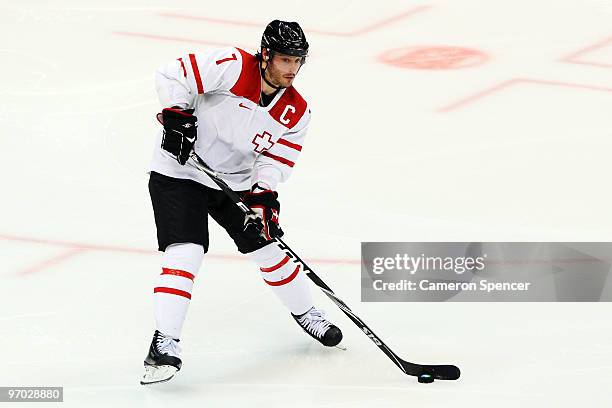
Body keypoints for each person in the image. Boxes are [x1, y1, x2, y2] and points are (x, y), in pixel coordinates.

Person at [141, 20, 343, 385]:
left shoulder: (296, 112)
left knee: (269, 249)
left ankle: (308, 313)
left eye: (297, 62)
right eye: (284, 60)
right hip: (180, 172)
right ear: (265, 55)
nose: (292, 70)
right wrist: (176, 114)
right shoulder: (231, 65)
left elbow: (275, 160)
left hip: (232, 183)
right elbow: (172, 75)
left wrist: (264, 196)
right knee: (186, 251)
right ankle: (164, 342)